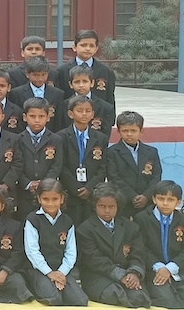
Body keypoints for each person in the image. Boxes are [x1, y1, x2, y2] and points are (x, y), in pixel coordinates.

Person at [135, 180, 184, 309]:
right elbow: (141, 248)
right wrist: (160, 268)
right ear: (154, 199)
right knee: (167, 300)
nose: (165, 203)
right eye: (161, 198)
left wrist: (170, 268)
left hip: (179, 268)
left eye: (170, 200)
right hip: (153, 268)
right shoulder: (142, 218)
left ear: (178, 202)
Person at [75, 184, 151, 308]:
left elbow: (138, 253)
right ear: (94, 206)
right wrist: (120, 275)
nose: (107, 211)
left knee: (139, 297)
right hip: (97, 275)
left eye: (111, 207)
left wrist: (134, 273)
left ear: (117, 207)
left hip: (127, 273)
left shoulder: (131, 227)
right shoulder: (85, 229)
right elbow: (94, 259)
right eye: (102, 206)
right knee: (114, 294)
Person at [23, 179, 89, 306]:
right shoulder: (33, 220)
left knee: (80, 300)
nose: (50, 203)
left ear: (62, 199)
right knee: (53, 298)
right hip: (39, 269)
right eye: (45, 199)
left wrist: (61, 273)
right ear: (39, 198)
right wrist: (49, 273)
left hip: (61, 269)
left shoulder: (67, 221)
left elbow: (71, 252)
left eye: (55, 199)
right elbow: (32, 251)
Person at [57, 95, 109, 223]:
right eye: (80, 111)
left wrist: (89, 187)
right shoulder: (61, 137)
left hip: (92, 192)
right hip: (70, 191)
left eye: (88, 111)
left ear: (92, 114)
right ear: (70, 114)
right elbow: (61, 165)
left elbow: (103, 167)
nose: (84, 114)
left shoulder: (101, 138)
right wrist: (75, 187)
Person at [106, 111, 161, 218]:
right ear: (118, 131)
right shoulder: (112, 152)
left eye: (133, 130)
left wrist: (146, 196)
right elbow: (113, 177)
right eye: (125, 131)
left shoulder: (151, 152)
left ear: (141, 131)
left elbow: (156, 176)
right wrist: (133, 196)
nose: (129, 134)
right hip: (124, 201)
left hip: (147, 202)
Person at [17, 98, 63, 218]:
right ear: (25, 117)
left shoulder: (56, 139)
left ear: (48, 117)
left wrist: (44, 184)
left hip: (48, 193)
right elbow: (16, 164)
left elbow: (57, 165)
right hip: (24, 194)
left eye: (41, 116)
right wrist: (27, 183)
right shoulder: (17, 139)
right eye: (32, 116)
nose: (37, 120)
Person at [54, 29, 116, 113]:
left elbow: (110, 99)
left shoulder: (106, 72)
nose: (87, 49)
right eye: (83, 45)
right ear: (74, 47)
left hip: (98, 117)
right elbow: (60, 99)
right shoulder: (62, 71)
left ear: (96, 49)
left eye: (91, 46)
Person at [66, 65, 114, 136]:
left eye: (85, 81)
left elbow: (105, 136)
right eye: (77, 82)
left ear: (92, 83)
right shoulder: (64, 105)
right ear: (71, 84)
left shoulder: (106, 108)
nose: (81, 85)